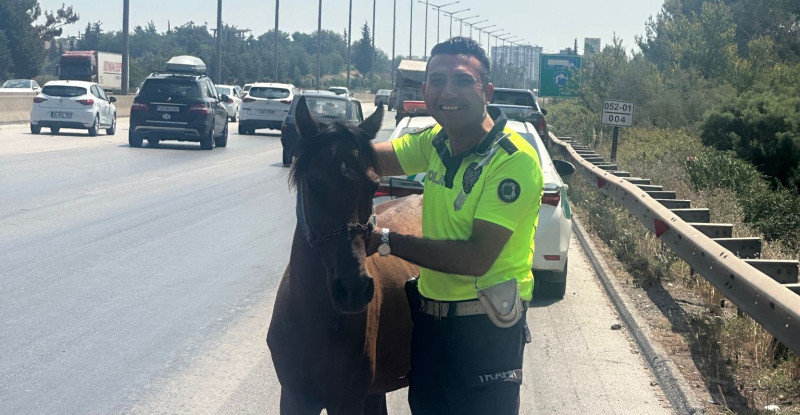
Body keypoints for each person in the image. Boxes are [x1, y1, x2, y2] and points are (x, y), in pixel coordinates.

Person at [368, 37, 544, 414]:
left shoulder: (513, 160)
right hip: (431, 327)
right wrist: (325, 141)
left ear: (487, 91)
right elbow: (375, 158)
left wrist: (385, 240)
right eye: (437, 80)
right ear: (425, 88)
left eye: (462, 81)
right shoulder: (437, 142)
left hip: (485, 331)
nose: (447, 91)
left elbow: (475, 257)